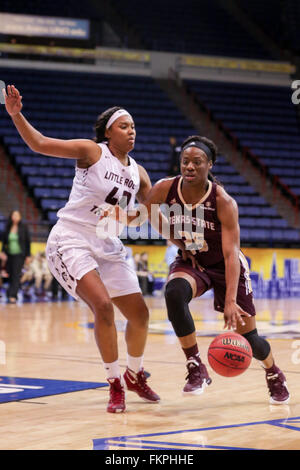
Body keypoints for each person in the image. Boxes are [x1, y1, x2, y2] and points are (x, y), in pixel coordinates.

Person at [3, 84, 160, 413]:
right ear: (108, 131)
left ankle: (134, 374)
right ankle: (115, 382)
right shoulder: (92, 151)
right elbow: (40, 144)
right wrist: (16, 115)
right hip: (72, 237)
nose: (131, 131)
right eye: (124, 126)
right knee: (103, 307)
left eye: (133, 126)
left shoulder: (139, 173)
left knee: (140, 315)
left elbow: (147, 215)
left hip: (107, 242)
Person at [141, 135, 290, 404]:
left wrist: (230, 300)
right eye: (185, 161)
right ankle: (195, 365)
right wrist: (177, 241)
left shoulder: (223, 201)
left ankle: (273, 372)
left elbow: (232, 254)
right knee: (174, 292)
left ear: (209, 165)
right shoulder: (165, 188)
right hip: (194, 261)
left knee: (251, 340)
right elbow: (148, 211)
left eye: (197, 162)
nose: (189, 166)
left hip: (226, 267)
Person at [1, 210, 31, 303]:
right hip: (9, 255)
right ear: (11, 216)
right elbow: (4, 242)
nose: (15, 216)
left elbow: (27, 242)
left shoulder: (24, 227)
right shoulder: (8, 227)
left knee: (16, 275)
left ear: (20, 217)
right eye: (14, 215)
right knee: (10, 274)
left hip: (20, 255)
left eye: (17, 215)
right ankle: (10, 293)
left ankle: (13, 295)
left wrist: (28, 255)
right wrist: (2, 252)